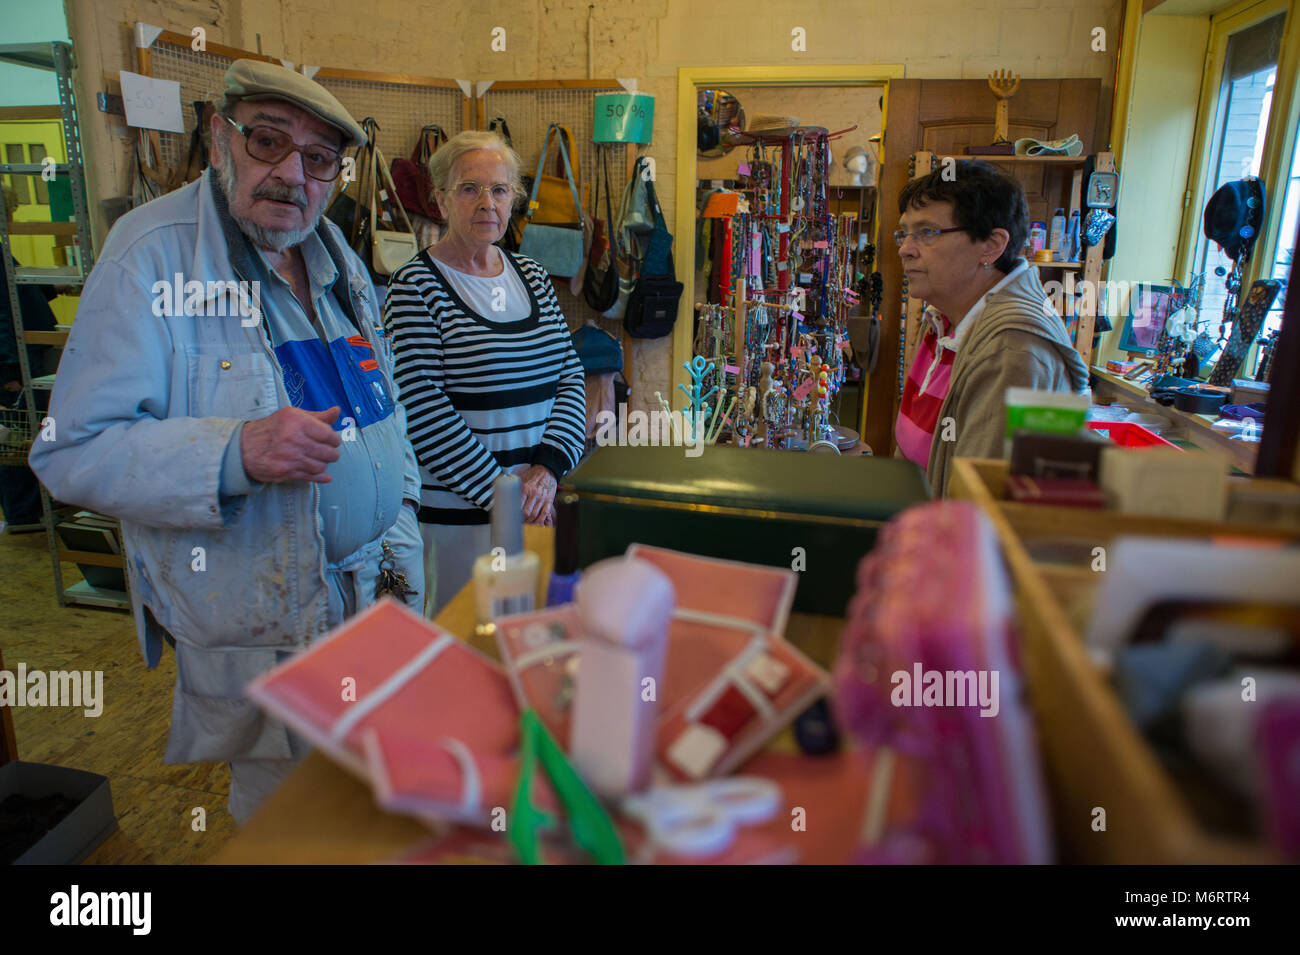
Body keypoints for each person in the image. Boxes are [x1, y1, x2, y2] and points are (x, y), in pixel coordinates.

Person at [29, 60, 424, 824]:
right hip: (271, 618)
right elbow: (70, 449)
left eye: (317, 159)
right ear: (220, 139)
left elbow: (386, 405)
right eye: (268, 141)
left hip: (378, 595)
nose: (290, 175)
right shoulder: (150, 256)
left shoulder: (335, 254)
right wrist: (231, 451)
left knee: (370, 798)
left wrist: (398, 504)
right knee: (292, 818)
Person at [383, 130, 586, 616]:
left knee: (530, 637)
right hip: (460, 518)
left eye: (499, 190)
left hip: (539, 507)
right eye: (468, 189)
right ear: (440, 199)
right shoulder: (414, 287)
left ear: (513, 198)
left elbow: (570, 377)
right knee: (465, 644)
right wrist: (504, 496)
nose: (486, 203)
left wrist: (548, 472)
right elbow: (421, 408)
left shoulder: (532, 275)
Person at [893, 159, 1088, 495]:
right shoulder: (945, 320)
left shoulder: (1014, 349)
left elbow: (980, 512)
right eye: (905, 233)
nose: (904, 250)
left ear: (992, 245)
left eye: (927, 232)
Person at [1, 186, 59, 532]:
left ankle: (28, 508)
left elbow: (19, 293)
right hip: (17, 360)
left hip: (27, 352)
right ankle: (21, 512)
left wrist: (52, 288)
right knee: (17, 434)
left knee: (25, 430)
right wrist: (8, 368)